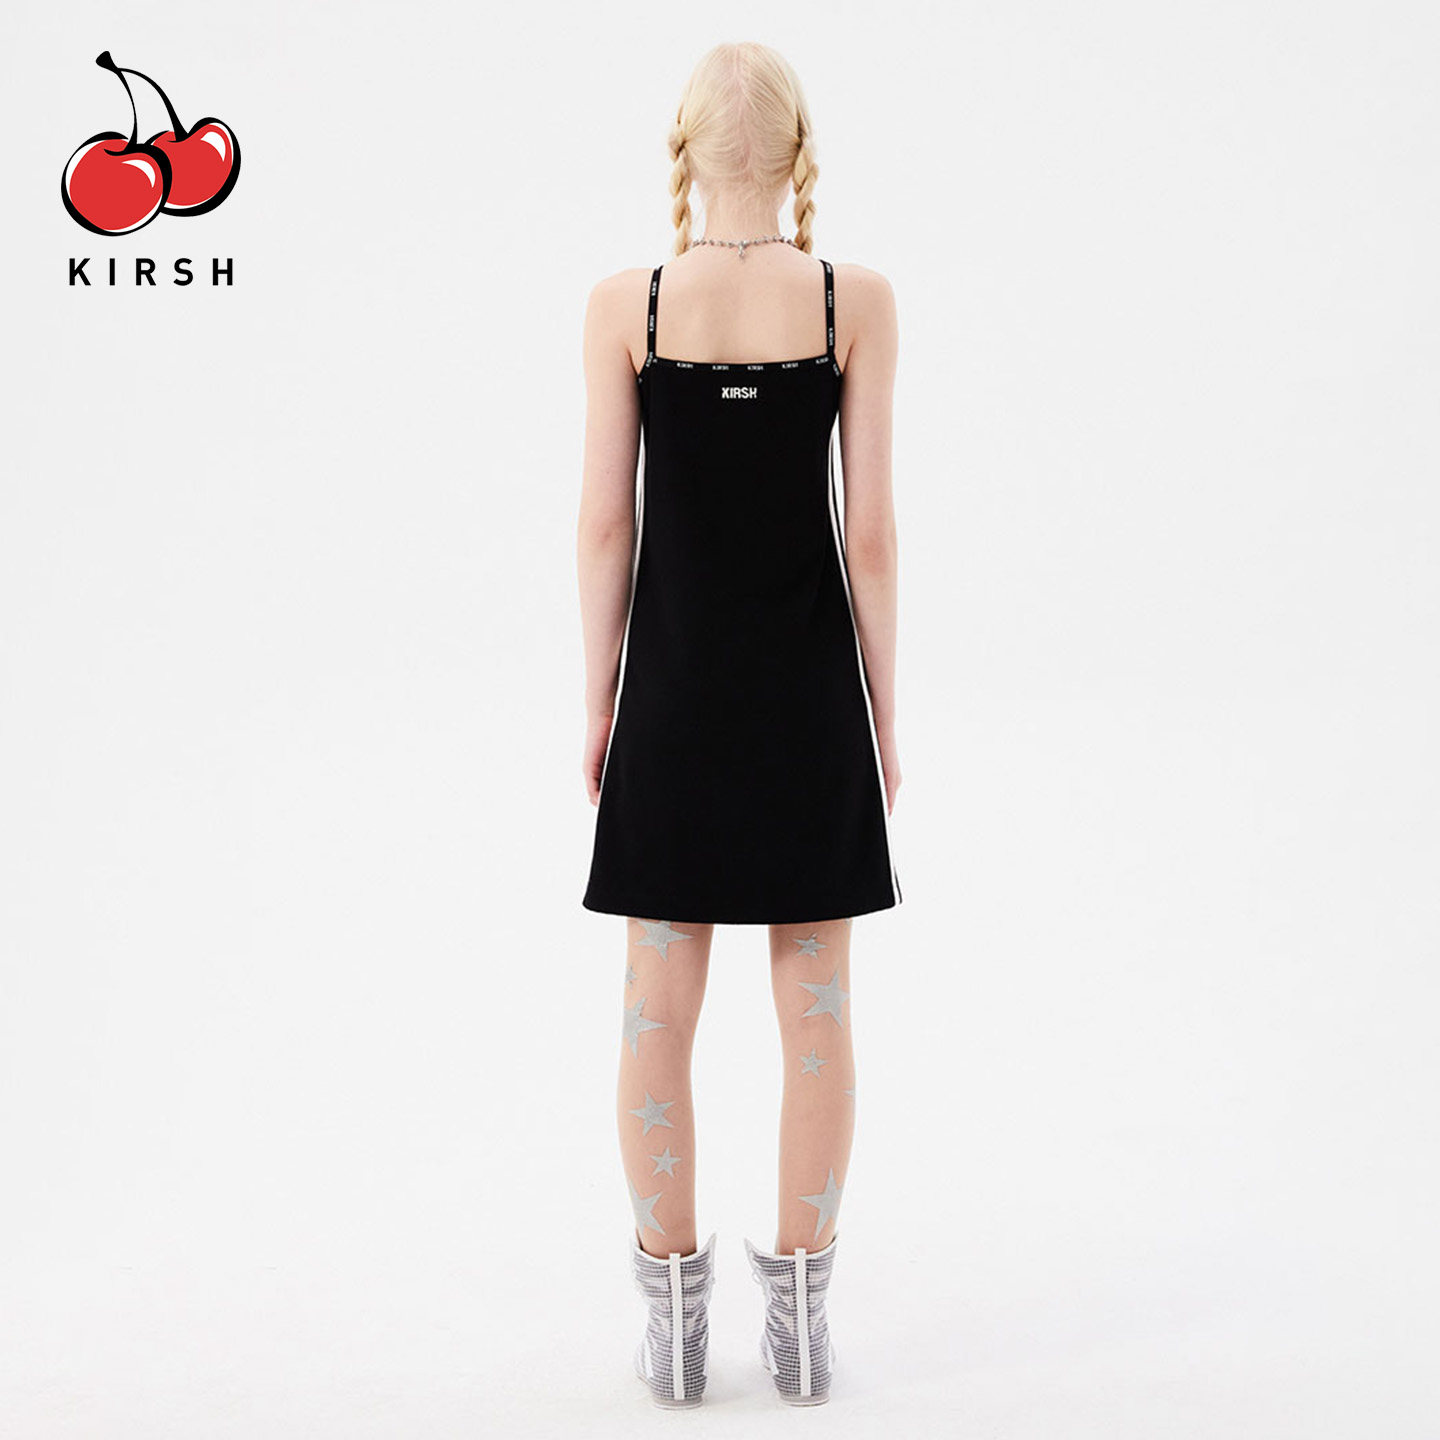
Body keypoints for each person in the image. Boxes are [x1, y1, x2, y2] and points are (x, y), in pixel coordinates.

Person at [575, 41, 903, 1408]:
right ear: (800, 150)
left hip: (674, 698)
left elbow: (606, 526)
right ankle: (806, 1318)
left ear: (686, 150)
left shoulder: (631, 305)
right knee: (815, 1008)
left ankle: (672, 1322)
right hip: (808, 698)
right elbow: (870, 536)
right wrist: (883, 717)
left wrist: (599, 699)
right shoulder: (852, 301)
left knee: (657, 1006)